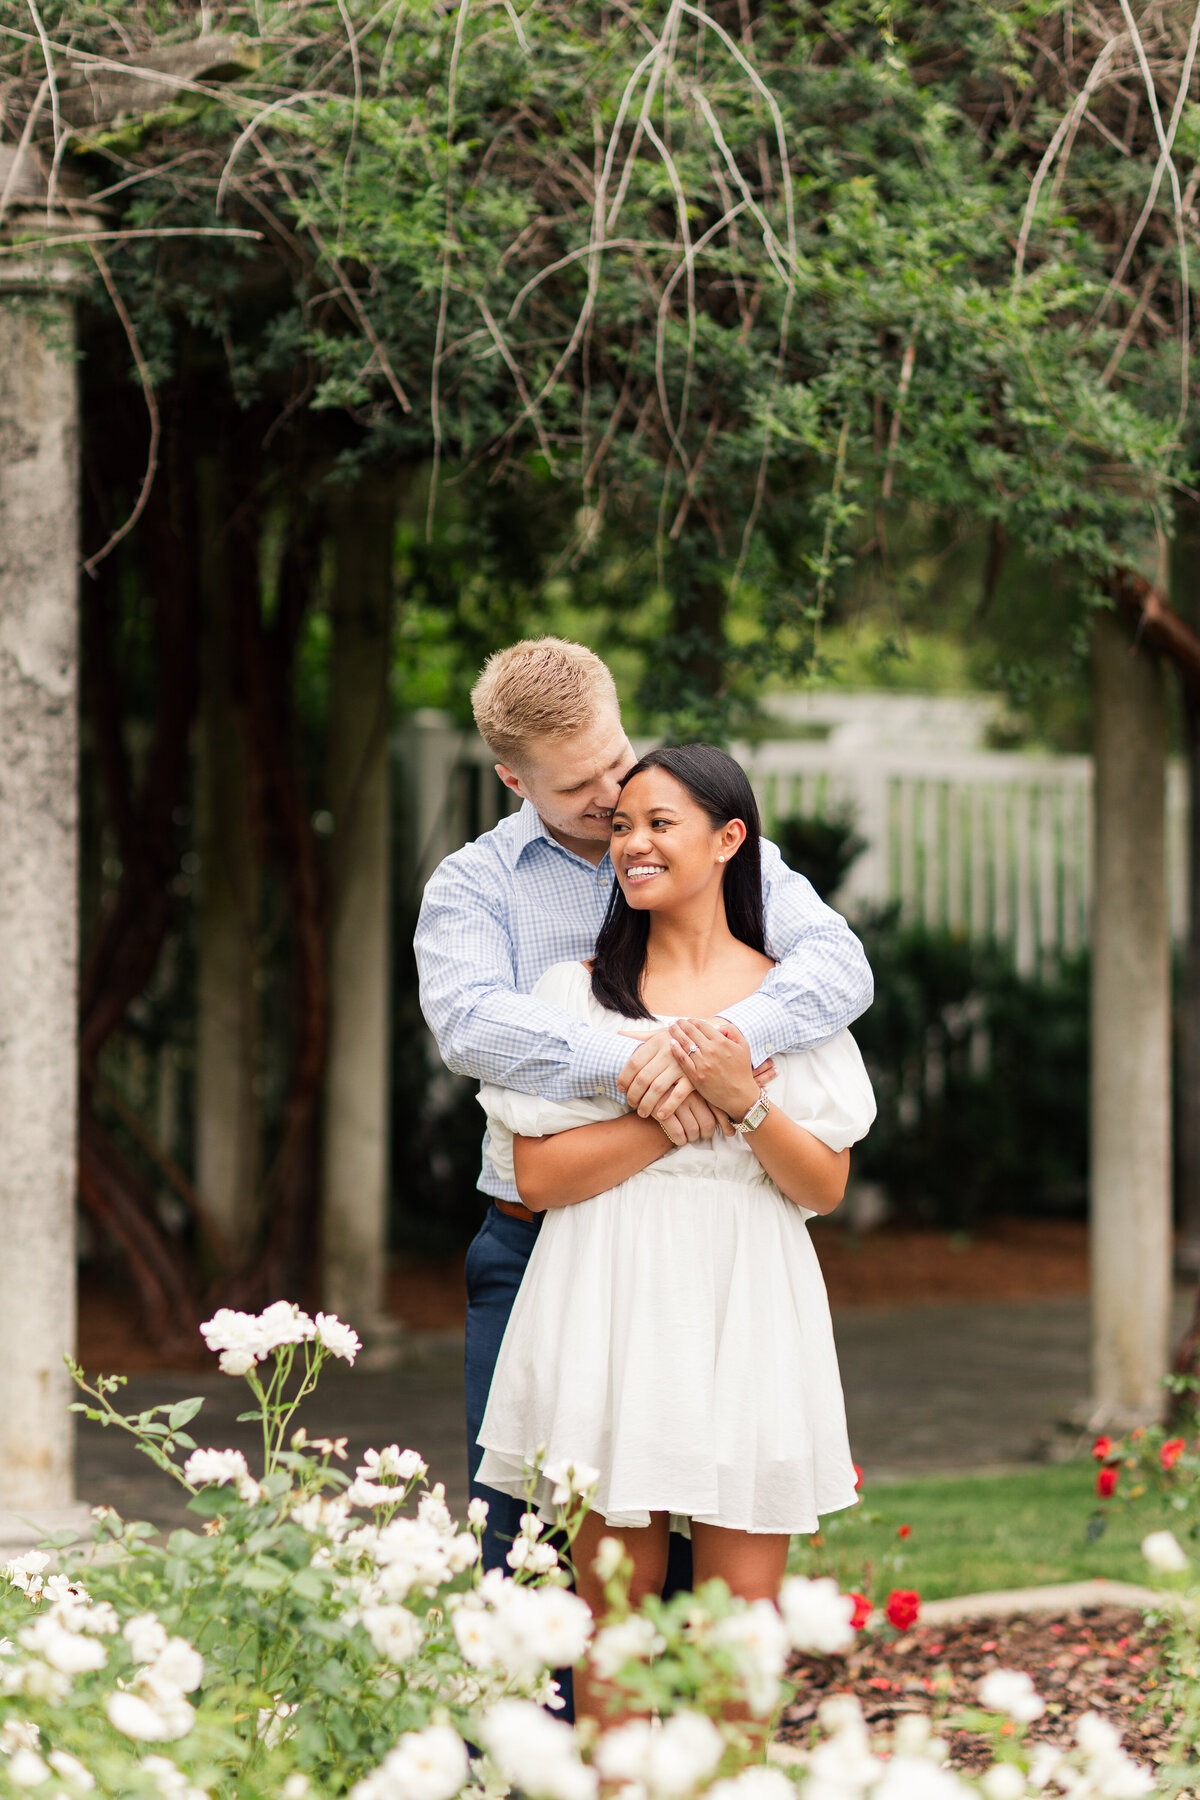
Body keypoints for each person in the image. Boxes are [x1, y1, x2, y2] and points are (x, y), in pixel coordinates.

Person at [414, 640, 873, 1578]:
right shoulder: (474, 887)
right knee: (529, 1565)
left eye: (616, 761)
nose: (610, 799)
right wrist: (642, 1063)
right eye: (579, 785)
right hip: (540, 1243)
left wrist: (722, 1045)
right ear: (512, 777)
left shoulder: (709, 844)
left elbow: (838, 967)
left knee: (710, 1575)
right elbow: (469, 1026)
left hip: (712, 1263)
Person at [474, 744, 875, 1725]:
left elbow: (822, 1184)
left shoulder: (791, 1003)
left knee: (744, 1630)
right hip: (609, 1297)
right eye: (621, 826)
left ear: (730, 840)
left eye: (661, 823)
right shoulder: (575, 997)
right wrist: (664, 1115)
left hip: (749, 1305)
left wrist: (742, 1102)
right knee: (612, 1625)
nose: (633, 844)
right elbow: (537, 1173)